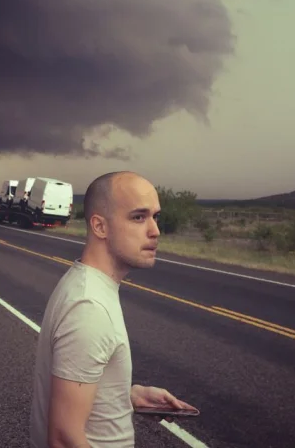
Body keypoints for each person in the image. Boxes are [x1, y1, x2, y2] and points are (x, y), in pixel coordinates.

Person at [29, 171, 197, 448]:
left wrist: (126, 395)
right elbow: (63, 438)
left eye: (155, 216)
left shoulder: (88, 284)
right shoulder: (89, 307)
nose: (155, 230)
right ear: (100, 227)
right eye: (138, 217)